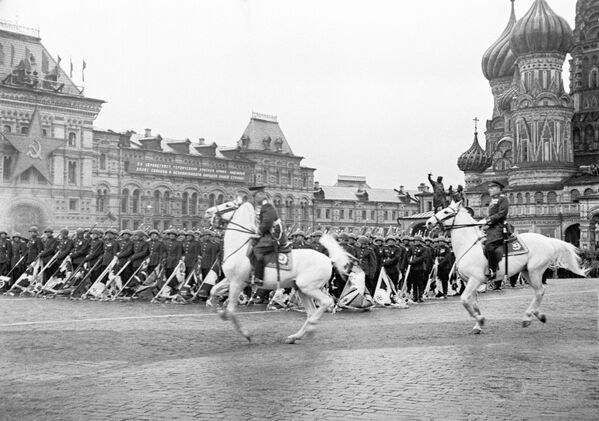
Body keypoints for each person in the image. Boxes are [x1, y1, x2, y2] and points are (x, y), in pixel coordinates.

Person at [250, 186, 287, 286]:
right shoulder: (263, 206)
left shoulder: (267, 206)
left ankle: (259, 277)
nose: (255, 199)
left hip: (274, 235)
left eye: (256, 196)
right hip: (268, 233)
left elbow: (267, 223)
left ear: (261, 195)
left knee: (258, 249)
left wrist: (259, 232)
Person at [480, 180, 509, 290]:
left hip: (498, 227)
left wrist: (489, 220)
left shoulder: (503, 198)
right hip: (490, 227)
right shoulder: (493, 200)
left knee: (489, 246)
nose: (489, 190)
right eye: (489, 188)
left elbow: (502, 214)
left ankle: (492, 270)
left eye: (492, 188)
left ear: (498, 188)